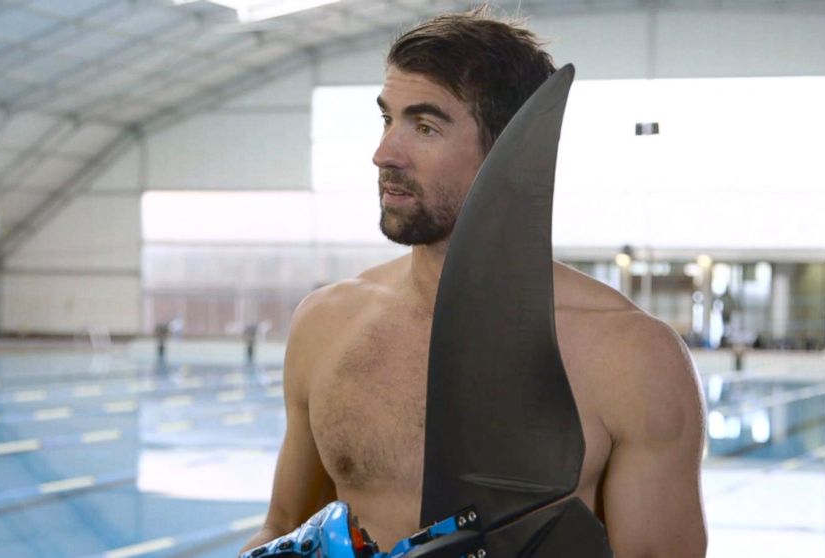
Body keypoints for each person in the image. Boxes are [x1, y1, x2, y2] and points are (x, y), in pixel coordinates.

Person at [240, 7, 707, 557]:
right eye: (387, 119)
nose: (384, 153)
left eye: (425, 126)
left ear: (510, 151)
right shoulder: (326, 322)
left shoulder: (631, 356)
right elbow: (283, 525)